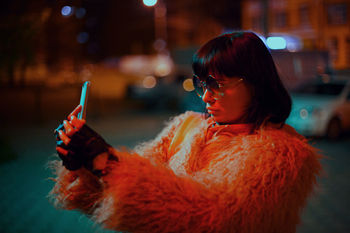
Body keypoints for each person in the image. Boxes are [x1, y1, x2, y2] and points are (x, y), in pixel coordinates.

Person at [50, 31, 322, 233]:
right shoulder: (187, 125)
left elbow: (213, 217)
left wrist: (107, 164)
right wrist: (85, 166)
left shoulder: (283, 154)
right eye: (202, 83)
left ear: (256, 84)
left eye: (216, 84)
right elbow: (130, 193)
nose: (205, 97)